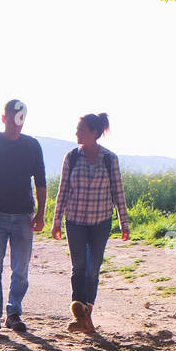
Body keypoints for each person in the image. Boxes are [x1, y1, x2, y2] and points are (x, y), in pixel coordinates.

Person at [0, 99, 47, 332]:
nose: (16, 125)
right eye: (12, 119)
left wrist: (41, 213)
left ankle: (14, 313)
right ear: (3, 118)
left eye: (20, 119)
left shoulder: (32, 146)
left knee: (20, 268)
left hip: (24, 214)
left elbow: (41, 182)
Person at [50, 112, 130, 335]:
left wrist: (124, 223)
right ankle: (80, 312)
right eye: (77, 129)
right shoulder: (71, 158)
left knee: (93, 270)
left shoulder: (109, 159)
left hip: (100, 222)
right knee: (79, 268)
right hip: (74, 221)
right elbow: (62, 191)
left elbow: (118, 192)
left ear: (94, 133)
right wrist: (56, 221)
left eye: (81, 129)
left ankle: (86, 315)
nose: (77, 133)